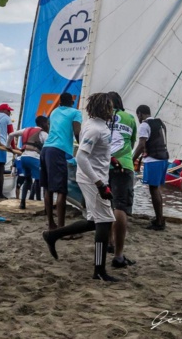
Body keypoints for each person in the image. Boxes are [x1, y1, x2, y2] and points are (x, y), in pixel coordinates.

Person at [42, 93, 119, 283]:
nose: (112, 110)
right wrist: (100, 184)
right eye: (110, 107)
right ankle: (99, 270)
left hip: (96, 177)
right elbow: (82, 157)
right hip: (93, 180)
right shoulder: (94, 129)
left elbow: (94, 153)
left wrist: (111, 159)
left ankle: (53, 235)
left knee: (95, 221)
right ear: (104, 109)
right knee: (105, 220)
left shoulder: (96, 126)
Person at [40, 92, 82, 230]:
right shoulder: (75, 113)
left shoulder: (54, 112)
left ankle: (51, 224)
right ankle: (61, 228)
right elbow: (77, 132)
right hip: (58, 151)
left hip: (46, 149)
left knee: (48, 188)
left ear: (59, 102)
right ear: (72, 102)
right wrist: (82, 147)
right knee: (61, 191)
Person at [107, 92, 137, 268]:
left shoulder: (104, 117)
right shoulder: (130, 118)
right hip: (123, 165)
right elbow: (132, 144)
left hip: (103, 165)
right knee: (120, 207)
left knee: (107, 205)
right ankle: (118, 255)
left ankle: (109, 243)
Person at [132, 104, 170, 231]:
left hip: (153, 161)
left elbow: (142, 145)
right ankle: (160, 218)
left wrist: (132, 160)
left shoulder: (144, 125)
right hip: (164, 159)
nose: (138, 118)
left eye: (138, 115)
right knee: (156, 189)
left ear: (140, 114)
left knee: (153, 190)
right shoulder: (160, 123)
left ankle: (159, 222)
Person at [7, 115, 50, 209]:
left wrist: (8, 146)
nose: (48, 125)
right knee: (40, 180)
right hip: (34, 158)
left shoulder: (26, 130)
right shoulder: (43, 134)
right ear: (44, 124)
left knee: (27, 179)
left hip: (24, 158)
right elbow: (48, 148)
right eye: (47, 123)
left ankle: (22, 202)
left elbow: (11, 134)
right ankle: (42, 202)